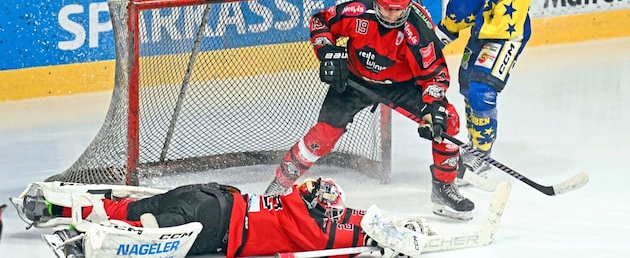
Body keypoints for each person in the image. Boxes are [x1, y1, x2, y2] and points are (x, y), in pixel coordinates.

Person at [264, 0, 474, 220]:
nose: (393, 15)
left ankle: (443, 187)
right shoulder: (358, 11)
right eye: (387, 9)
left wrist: (434, 107)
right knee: (322, 137)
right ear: (377, 0)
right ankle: (277, 187)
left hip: (401, 85)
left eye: (399, 9)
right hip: (354, 81)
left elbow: (434, 74)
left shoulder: (418, 28)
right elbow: (320, 22)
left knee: (447, 120)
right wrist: (327, 51)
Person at [396, 0, 532, 183]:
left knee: (481, 90)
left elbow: (458, 18)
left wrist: (433, 40)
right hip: (487, 23)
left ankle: (481, 155)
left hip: (507, 29)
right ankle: (475, 143)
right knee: (467, 83)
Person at [21, 178, 430, 257]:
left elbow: (354, 220)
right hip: (214, 227)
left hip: (207, 194)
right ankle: (84, 240)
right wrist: (391, 238)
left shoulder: (292, 200)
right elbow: (348, 236)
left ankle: (56, 205)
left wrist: (381, 227)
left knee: (126, 208)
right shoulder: (311, 228)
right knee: (140, 232)